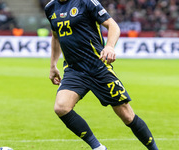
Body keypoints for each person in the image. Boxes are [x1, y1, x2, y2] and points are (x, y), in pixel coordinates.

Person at [45, 0, 159, 150]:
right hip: (74, 70)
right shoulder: (50, 8)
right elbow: (56, 36)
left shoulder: (86, 2)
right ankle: (98, 147)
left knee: (127, 115)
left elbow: (113, 26)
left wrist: (110, 47)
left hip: (98, 67)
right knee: (61, 107)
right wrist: (53, 65)